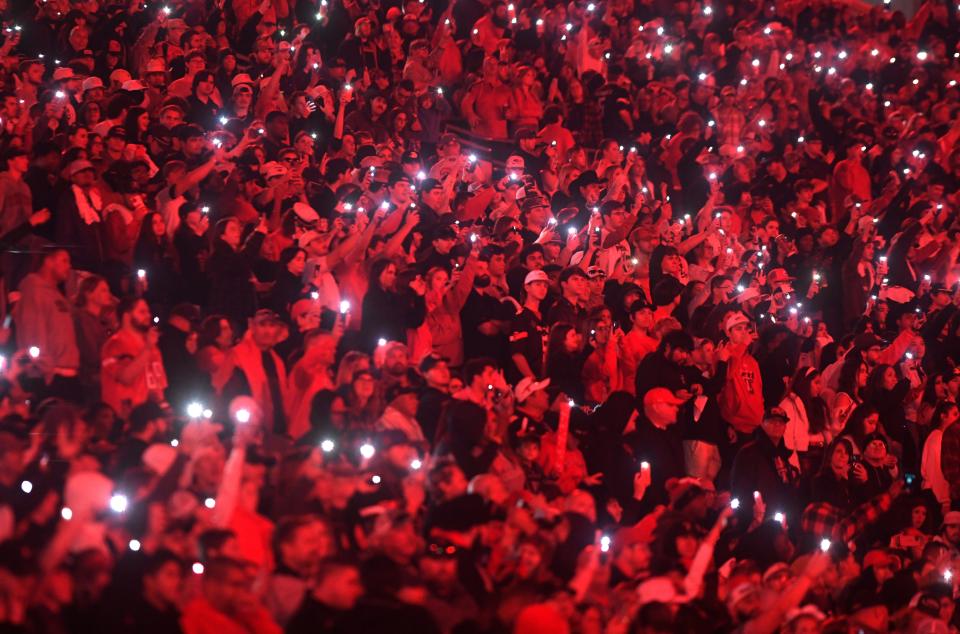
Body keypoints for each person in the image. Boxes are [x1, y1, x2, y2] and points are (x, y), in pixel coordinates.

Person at [100, 296, 167, 419]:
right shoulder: (114, 345)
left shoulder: (153, 347)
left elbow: (158, 385)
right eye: (142, 312)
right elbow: (125, 377)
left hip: (151, 420)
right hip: (126, 419)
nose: (148, 315)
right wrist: (147, 349)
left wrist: (163, 408)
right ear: (126, 316)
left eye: (148, 312)